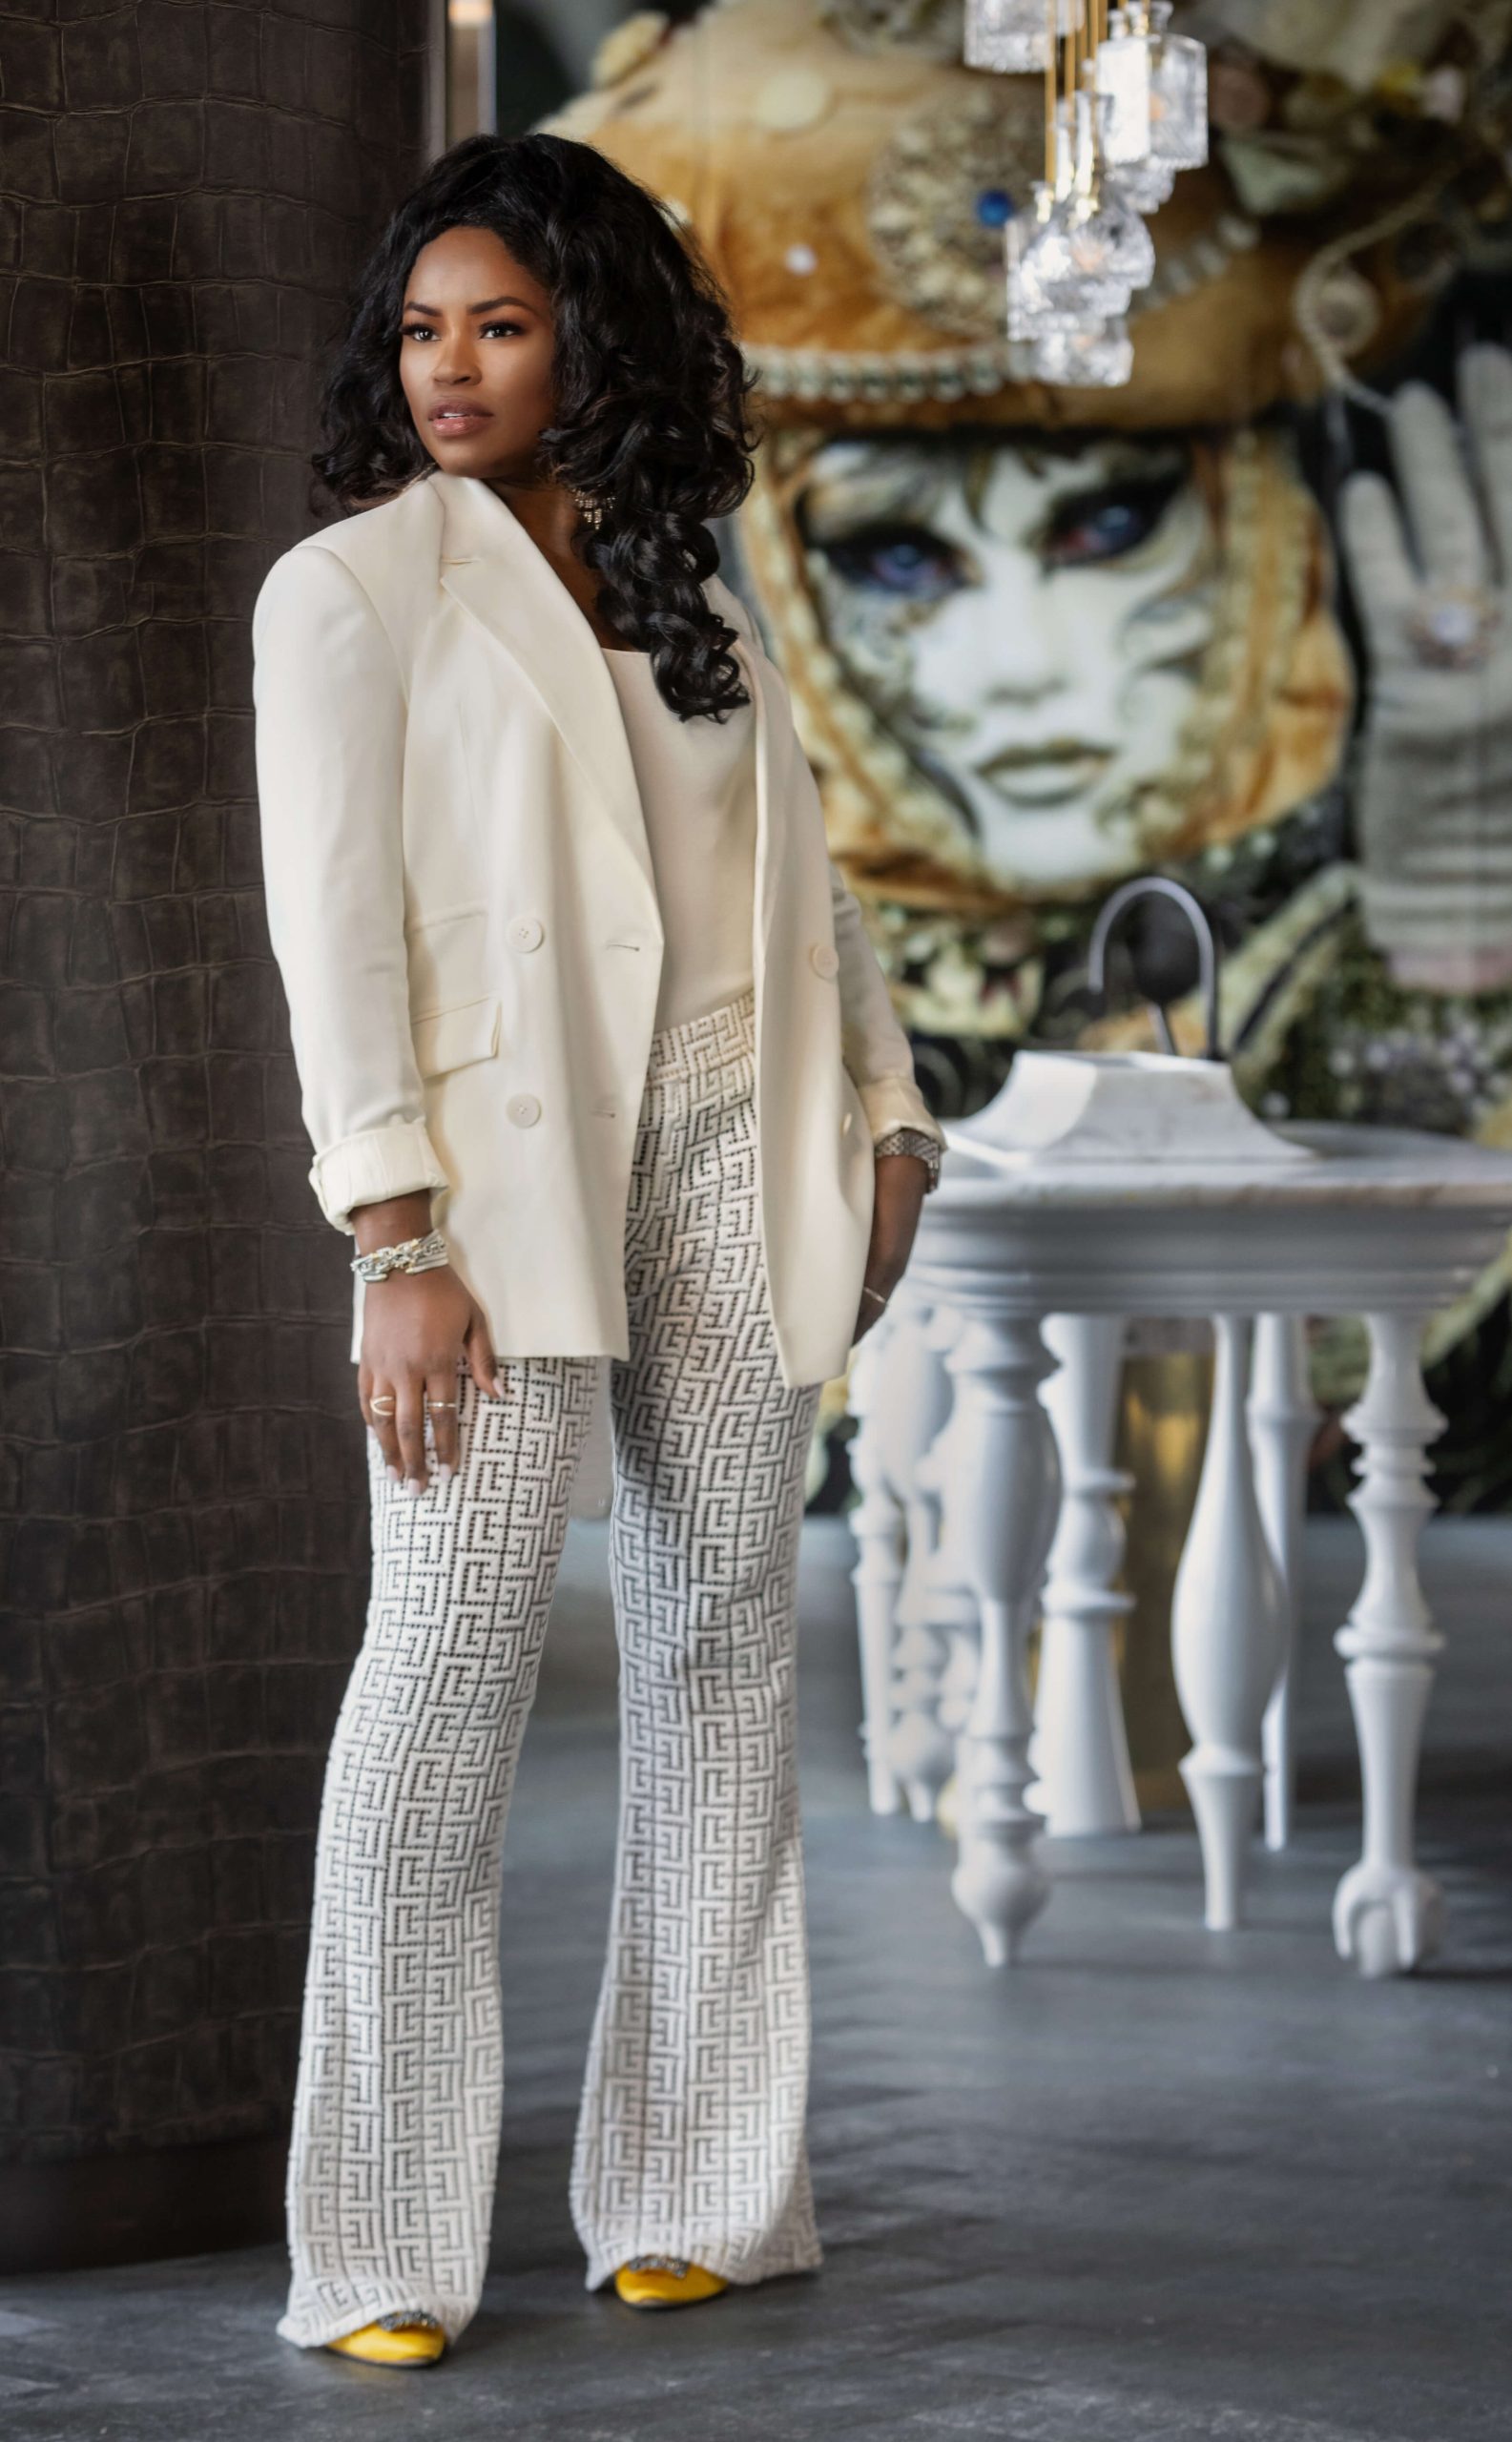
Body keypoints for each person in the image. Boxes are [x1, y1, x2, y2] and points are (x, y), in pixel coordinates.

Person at [250, 130, 945, 2369]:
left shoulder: (687, 577)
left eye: (504, 326)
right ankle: (373, 2237)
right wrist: (395, 1227)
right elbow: (331, 933)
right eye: (423, 332)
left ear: (593, 341)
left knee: (728, 1637)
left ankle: (697, 2188)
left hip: (739, 1135)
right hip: (490, 1186)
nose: (449, 369)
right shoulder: (349, 591)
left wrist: (889, 1108)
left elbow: (804, 880)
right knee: (440, 1675)